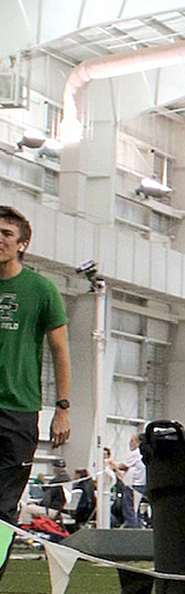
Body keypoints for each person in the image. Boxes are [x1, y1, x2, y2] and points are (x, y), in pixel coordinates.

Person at [0, 206, 71, 526]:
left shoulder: (42, 291)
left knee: (4, 506)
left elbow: (60, 352)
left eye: (6, 234)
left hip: (18, 411)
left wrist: (62, 409)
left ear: (22, 244)